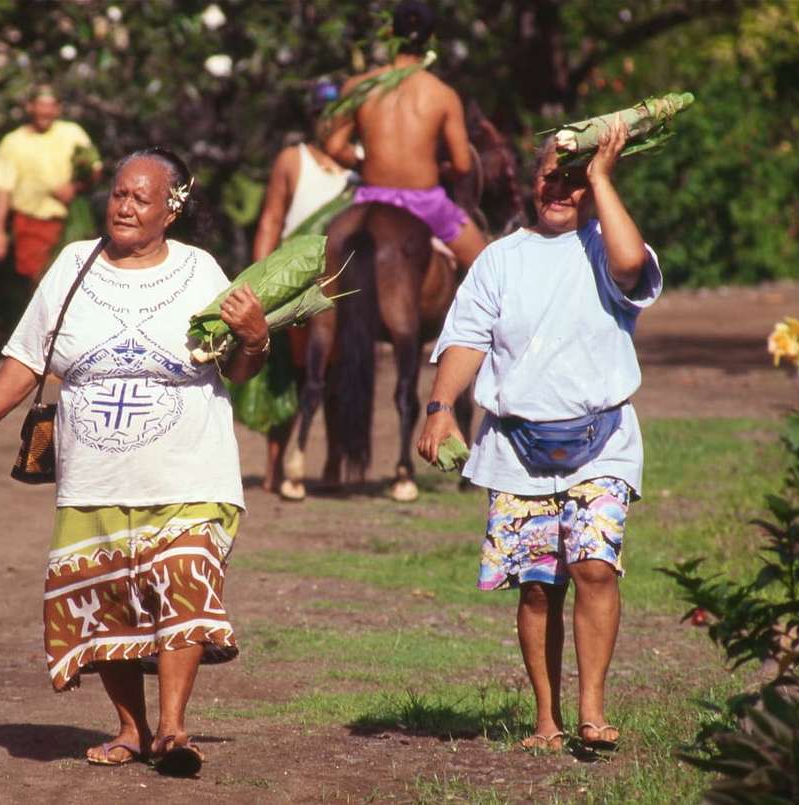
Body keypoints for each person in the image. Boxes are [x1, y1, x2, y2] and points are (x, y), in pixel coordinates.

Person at [0, 148, 269, 776]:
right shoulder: (74, 263)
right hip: (94, 474)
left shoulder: (202, 270)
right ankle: (131, 728)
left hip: (189, 470)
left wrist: (255, 335)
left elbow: (240, 366)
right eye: (119, 194)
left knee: (183, 580)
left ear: (170, 210)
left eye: (140, 197)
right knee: (106, 597)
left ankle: (174, 729)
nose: (123, 206)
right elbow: (28, 356)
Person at [417, 119, 663, 753]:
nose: (560, 188)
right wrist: (441, 406)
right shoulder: (500, 259)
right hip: (517, 448)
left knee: (594, 567)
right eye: (550, 174)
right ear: (530, 180)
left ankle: (592, 711)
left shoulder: (606, 248)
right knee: (536, 585)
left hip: (602, 439)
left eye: (575, 178)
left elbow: (633, 264)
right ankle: (546, 720)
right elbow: (467, 339)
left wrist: (601, 175)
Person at [322, 0, 486, 270]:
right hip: (427, 204)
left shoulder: (358, 86)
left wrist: (367, 165)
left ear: (390, 34)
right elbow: (463, 165)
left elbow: (335, 147)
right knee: (490, 268)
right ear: (430, 39)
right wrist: (440, 169)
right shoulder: (443, 95)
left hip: (371, 199)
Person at [250, 79, 352, 497]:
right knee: (290, 373)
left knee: (340, 373)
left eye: (338, 116)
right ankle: (275, 463)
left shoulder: (362, 168)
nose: (329, 124)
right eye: (321, 116)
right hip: (297, 277)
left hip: (345, 283)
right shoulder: (294, 160)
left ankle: (333, 462)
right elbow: (272, 218)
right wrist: (259, 277)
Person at [0, 85, 102, 284]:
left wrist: (75, 187)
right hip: (30, 223)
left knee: (75, 281)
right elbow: (2, 189)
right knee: (39, 282)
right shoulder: (13, 141)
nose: (46, 112)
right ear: (30, 107)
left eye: (51, 106)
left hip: (70, 222)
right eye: (41, 105)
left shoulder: (72, 133)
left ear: (58, 109)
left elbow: (95, 169)